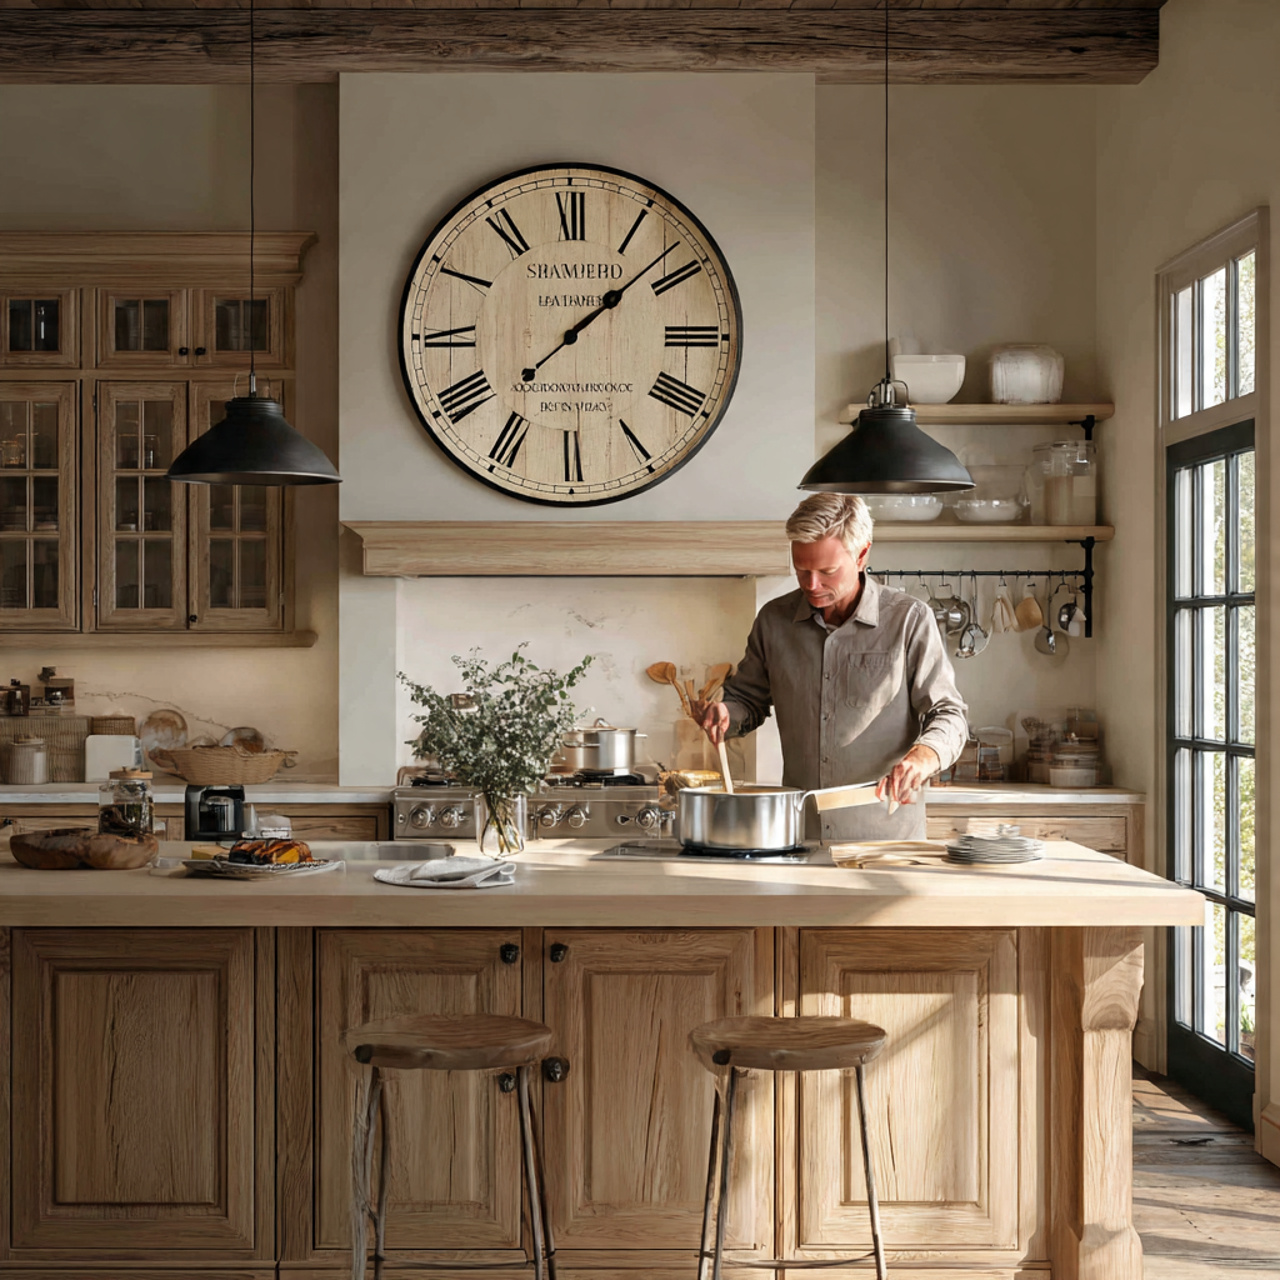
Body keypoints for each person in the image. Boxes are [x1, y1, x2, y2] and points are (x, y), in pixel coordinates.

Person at [694, 493, 968, 841]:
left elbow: (949, 713)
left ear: (862, 554)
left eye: (827, 571)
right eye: (801, 570)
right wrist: (725, 714)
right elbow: (748, 699)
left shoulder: (909, 620)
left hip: (883, 837)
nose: (811, 585)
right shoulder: (773, 621)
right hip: (798, 833)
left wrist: (924, 756)